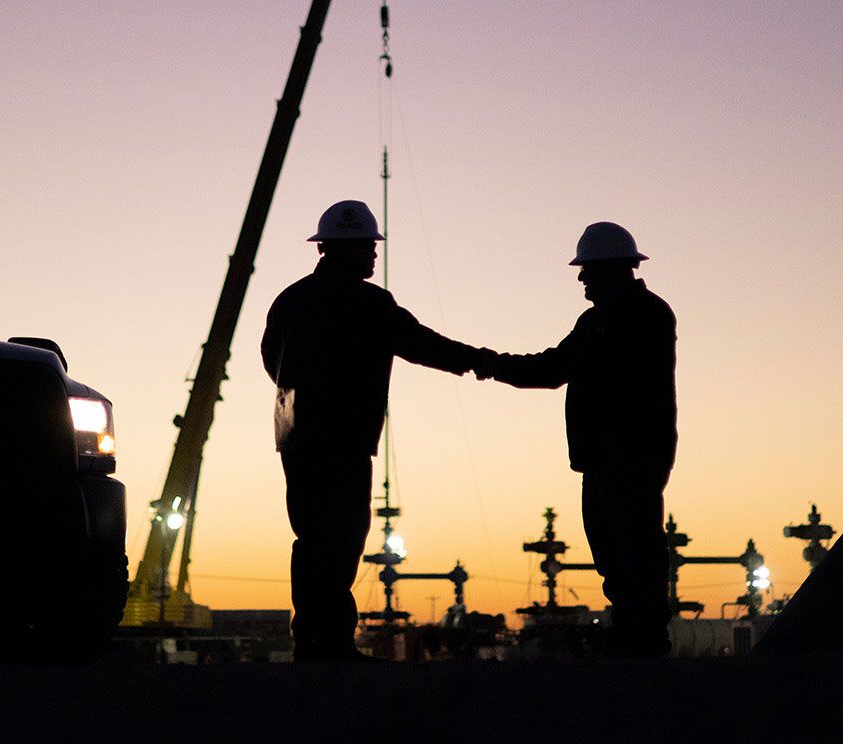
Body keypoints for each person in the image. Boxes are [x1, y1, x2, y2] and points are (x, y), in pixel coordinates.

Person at [261, 199, 491, 662]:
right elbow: (421, 343)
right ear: (344, 248)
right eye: (368, 246)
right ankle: (333, 646)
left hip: (297, 439)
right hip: (343, 439)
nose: (374, 255)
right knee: (343, 538)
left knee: (311, 540)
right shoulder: (367, 302)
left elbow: (272, 359)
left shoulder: (289, 299)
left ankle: (311, 641)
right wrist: (480, 361)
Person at [478, 221, 678, 658]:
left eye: (587, 269)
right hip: (600, 457)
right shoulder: (597, 320)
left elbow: (555, 368)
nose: (581, 277)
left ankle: (645, 642)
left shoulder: (642, 314)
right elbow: (554, 366)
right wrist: (495, 364)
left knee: (636, 550)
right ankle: (632, 636)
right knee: (612, 554)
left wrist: (491, 364)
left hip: (631, 454)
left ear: (611, 269)